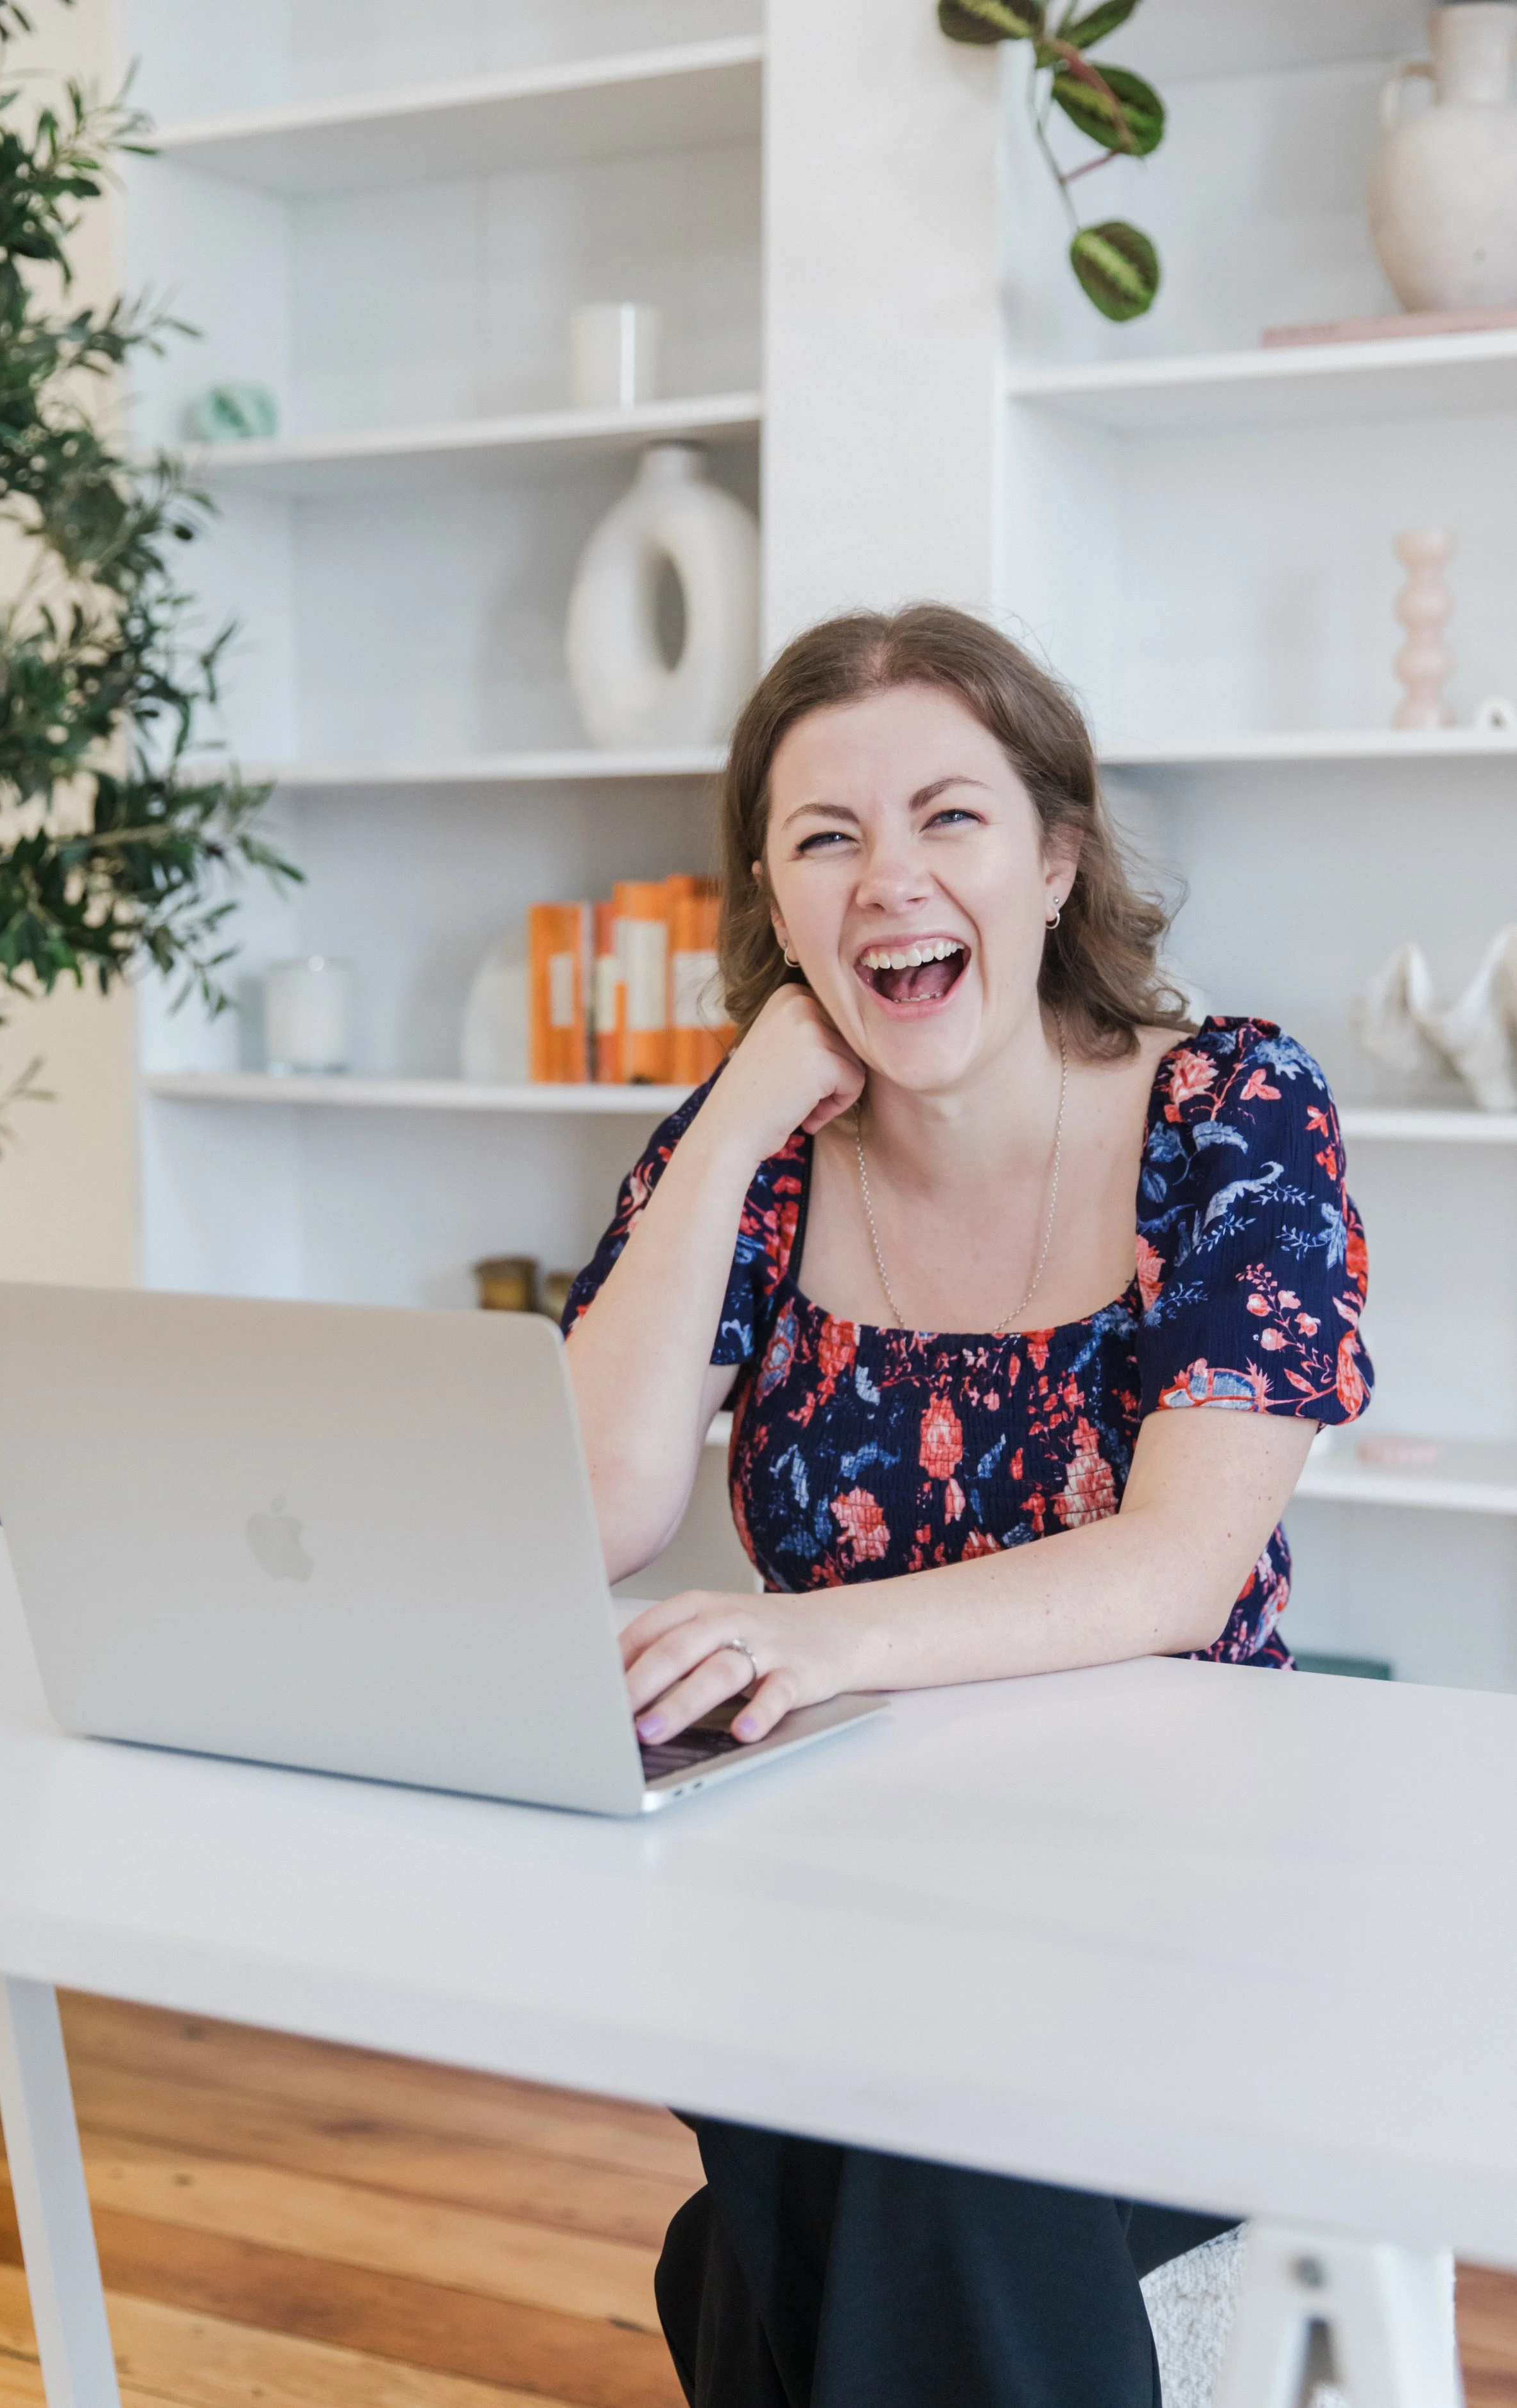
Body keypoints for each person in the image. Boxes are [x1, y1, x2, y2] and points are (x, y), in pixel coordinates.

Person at [562, 604, 1371, 2407]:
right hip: (842, 1887)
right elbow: (597, 1502)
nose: (887, 881)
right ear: (771, 904)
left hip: (1178, 1905)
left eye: (947, 817)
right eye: (822, 839)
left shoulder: (1230, 1112)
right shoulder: (754, 1172)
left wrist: (805, 1633)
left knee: (861, 2162)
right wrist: (738, 1108)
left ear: (1054, 856)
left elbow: (1180, 1563)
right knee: (837, 2103)